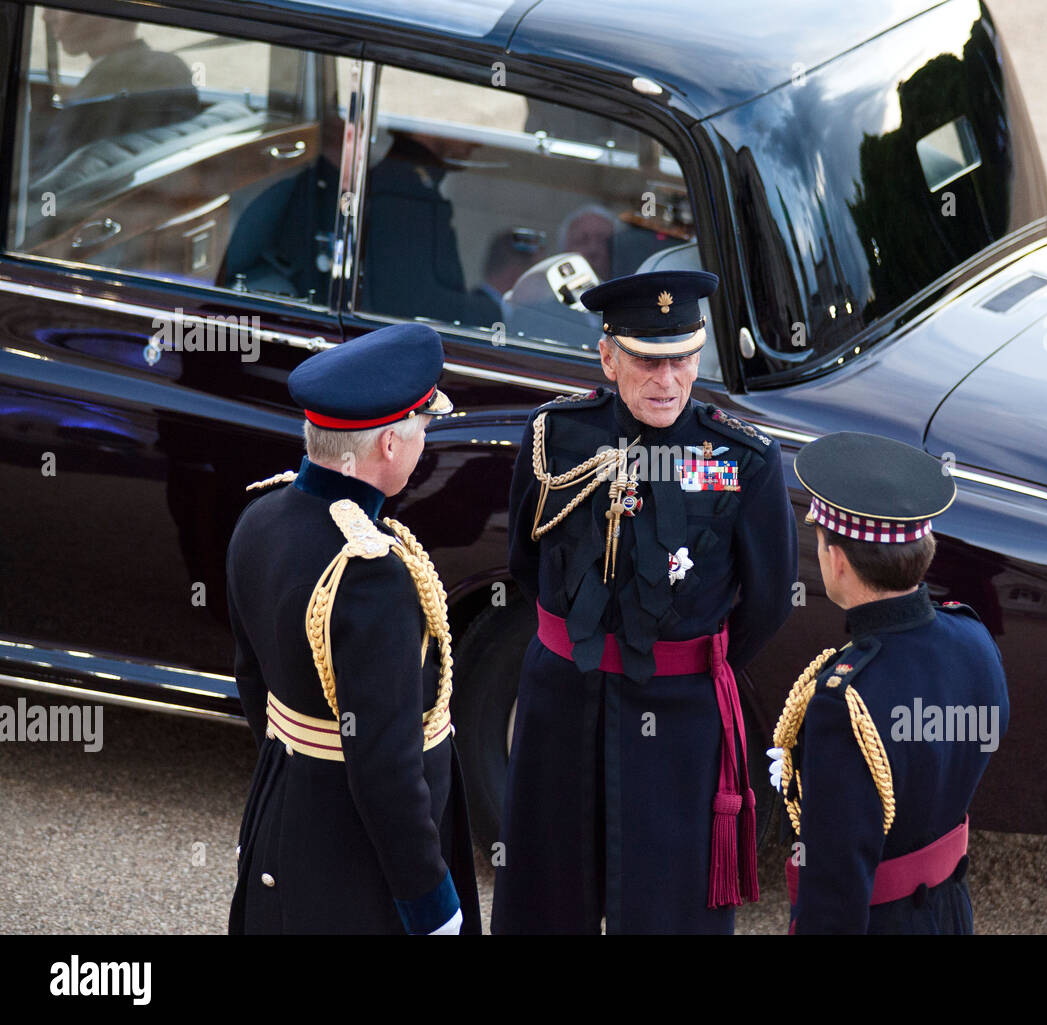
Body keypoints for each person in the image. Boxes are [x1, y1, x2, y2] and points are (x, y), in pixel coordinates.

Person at [493, 270, 798, 934]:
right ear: (607, 357)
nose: (667, 379)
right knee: (544, 898)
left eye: (682, 358)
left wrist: (679, 658)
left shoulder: (740, 458)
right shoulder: (556, 436)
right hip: (562, 703)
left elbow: (768, 600)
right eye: (647, 360)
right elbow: (525, 559)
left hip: (678, 720)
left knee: (668, 907)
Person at [226, 322, 479, 935]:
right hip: (354, 865)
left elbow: (253, 684)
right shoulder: (369, 574)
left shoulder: (261, 515)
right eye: (420, 430)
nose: (423, 446)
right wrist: (431, 904)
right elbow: (386, 768)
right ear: (390, 445)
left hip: (285, 815)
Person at [771, 432, 1009, 934]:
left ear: (837, 560)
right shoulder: (973, 637)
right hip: (950, 914)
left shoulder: (844, 702)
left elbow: (833, 891)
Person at [36, 9, 199, 173]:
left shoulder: (96, 95)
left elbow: (49, 183)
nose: (45, 16)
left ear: (105, 12)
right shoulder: (173, 67)